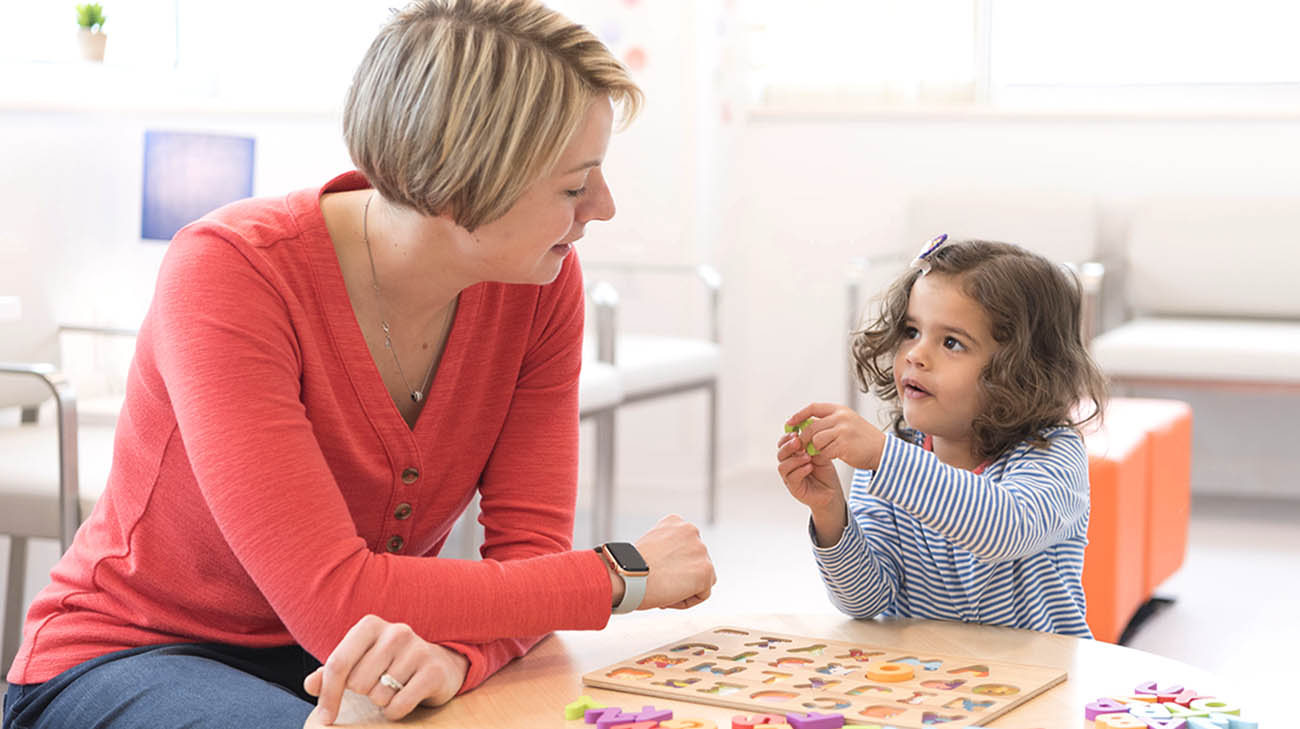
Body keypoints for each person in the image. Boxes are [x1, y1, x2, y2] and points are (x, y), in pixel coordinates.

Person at [4, 2, 716, 727]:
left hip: (361, 659)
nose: (605, 207)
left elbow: (529, 562)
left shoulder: (540, 287)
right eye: (575, 185)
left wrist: (457, 657)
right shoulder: (229, 273)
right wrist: (623, 572)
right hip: (135, 656)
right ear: (457, 184)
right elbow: (336, 597)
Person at [776, 236, 1106, 637]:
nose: (916, 354)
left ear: (1021, 371)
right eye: (911, 331)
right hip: (928, 687)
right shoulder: (890, 462)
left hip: (1045, 682)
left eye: (951, 342)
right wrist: (831, 514)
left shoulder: (1052, 453)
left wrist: (884, 458)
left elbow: (1006, 528)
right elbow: (865, 601)